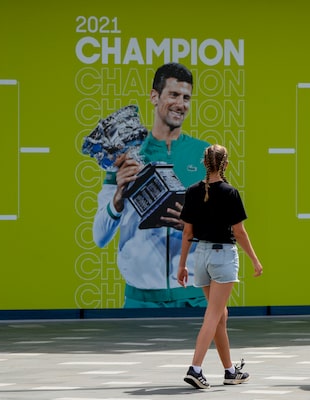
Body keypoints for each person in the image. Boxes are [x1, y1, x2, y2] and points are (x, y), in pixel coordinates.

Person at [92, 63, 210, 308]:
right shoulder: (125, 155)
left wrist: (194, 227)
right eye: (174, 95)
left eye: (186, 98)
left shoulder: (204, 154)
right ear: (154, 97)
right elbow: (99, 237)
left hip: (194, 296)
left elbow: (227, 230)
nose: (181, 104)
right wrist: (118, 198)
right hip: (140, 299)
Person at [177, 144, 264, 389]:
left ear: (205, 164)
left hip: (201, 256)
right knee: (214, 315)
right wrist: (255, 260)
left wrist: (182, 265)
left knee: (220, 316)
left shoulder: (193, 191)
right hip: (222, 256)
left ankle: (229, 371)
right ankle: (195, 368)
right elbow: (240, 232)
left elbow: (187, 233)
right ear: (225, 164)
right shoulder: (230, 192)